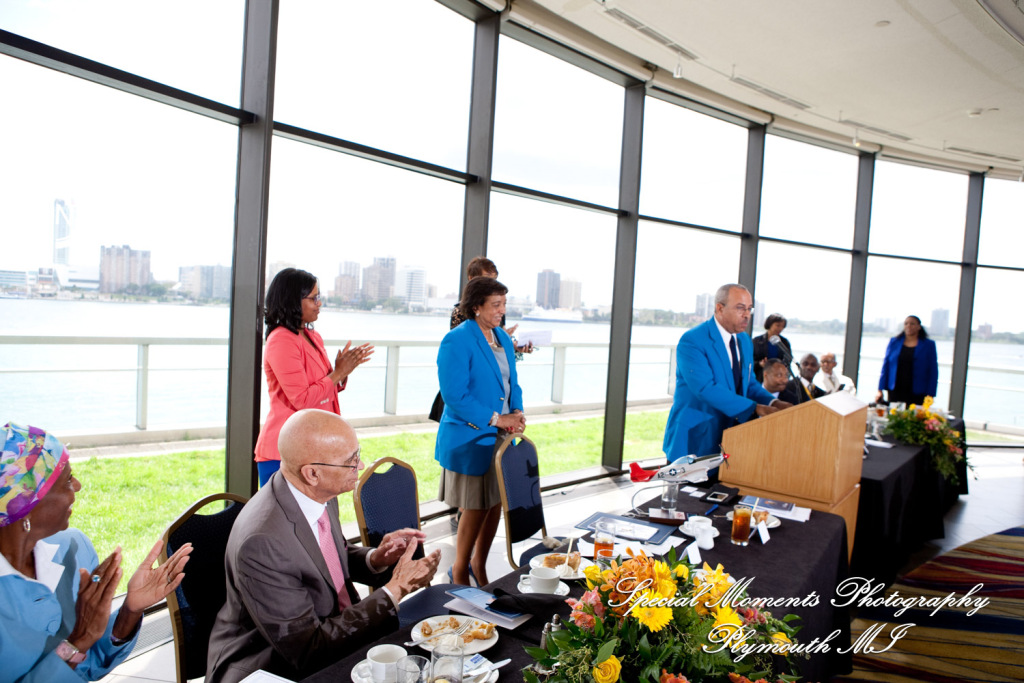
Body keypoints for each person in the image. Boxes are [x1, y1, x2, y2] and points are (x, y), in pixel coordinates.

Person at [207, 409, 443, 683]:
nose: (361, 464)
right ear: (312, 473)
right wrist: (396, 588)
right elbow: (308, 650)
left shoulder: (318, 493)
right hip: (273, 664)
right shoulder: (262, 542)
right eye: (351, 461)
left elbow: (326, 556)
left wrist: (376, 559)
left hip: (333, 634)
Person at [1, 422, 192, 682]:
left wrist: (130, 611)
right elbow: (82, 644)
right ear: (25, 503)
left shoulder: (73, 548)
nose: (77, 485)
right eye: (67, 479)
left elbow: (89, 666)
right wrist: (78, 640)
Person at [435, 277, 525, 586]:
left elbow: (512, 381)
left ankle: (479, 564)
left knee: (496, 501)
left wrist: (517, 412)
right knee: (475, 505)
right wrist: (497, 419)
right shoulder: (457, 340)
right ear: (476, 307)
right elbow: (455, 396)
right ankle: (459, 570)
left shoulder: (501, 337)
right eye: (495, 305)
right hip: (469, 437)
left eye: (504, 305)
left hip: (499, 436)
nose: (502, 311)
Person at [254, 268, 374, 486]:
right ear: (293, 300)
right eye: (314, 298)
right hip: (284, 452)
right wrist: (338, 373)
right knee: (289, 519)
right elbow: (303, 399)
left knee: (322, 518)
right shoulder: (281, 339)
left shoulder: (312, 336)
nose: (319, 303)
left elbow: (324, 388)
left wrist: (341, 372)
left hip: (314, 449)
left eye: (319, 297)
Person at [663, 284, 792, 461]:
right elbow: (705, 388)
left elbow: (750, 383)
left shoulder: (744, 340)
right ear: (720, 308)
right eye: (740, 308)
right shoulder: (692, 341)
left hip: (732, 441)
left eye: (749, 309)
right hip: (695, 440)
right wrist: (755, 408)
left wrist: (774, 401)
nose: (746, 315)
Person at [876, 315, 938, 406]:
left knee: (914, 418)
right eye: (906, 323)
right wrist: (880, 390)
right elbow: (886, 367)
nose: (908, 326)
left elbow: (933, 371)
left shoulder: (929, 345)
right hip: (895, 388)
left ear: (919, 327)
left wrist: (931, 394)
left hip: (918, 390)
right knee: (894, 416)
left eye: (912, 324)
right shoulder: (894, 342)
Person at [751, 313, 792, 383]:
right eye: (778, 325)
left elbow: (788, 360)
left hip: (778, 378)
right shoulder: (757, 341)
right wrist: (759, 364)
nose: (780, 329)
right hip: (760, 377)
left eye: (782, 326)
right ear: (770, 324)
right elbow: (749, 361)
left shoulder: (784, 342)